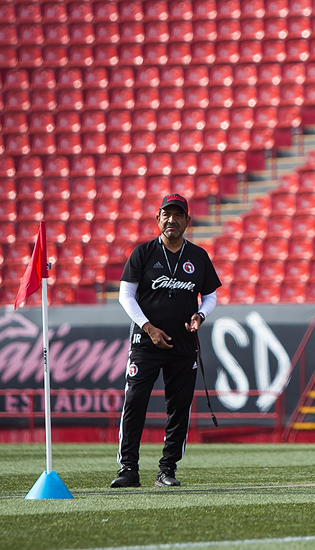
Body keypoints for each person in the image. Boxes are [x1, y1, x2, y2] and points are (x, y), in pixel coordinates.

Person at [111, 193, 222, 489]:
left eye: (177, 215)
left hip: (184, 343)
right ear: (158, 219)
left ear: (187, 220)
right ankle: (128, 469)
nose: (171, 220)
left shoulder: (198, 256)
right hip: (145, 342)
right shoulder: (143, 253)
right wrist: (148, 328)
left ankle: (167, 469)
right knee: (135, 402)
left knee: (179, 407)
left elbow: (210, 296)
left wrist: (201, 315)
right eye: (166, 215)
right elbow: (125, 295)